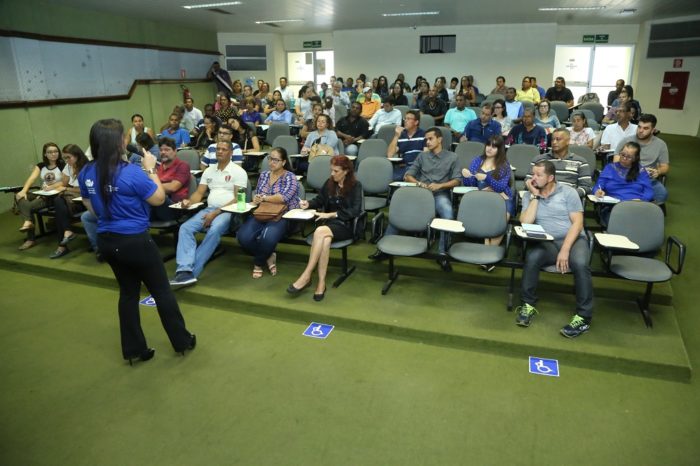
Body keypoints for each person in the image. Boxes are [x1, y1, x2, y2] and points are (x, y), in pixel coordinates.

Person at [79, 118, 195, 364]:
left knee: (128, 293)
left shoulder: (86, 171)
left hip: (107, 240)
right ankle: (182, 341)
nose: (127, 140)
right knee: (161, 291)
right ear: (118, 142)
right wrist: (151, 169)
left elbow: (91, 207)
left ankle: (134, 350)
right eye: (124, 136)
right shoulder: (130, 172)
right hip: (135, 241)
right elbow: (159, 199)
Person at [517, 160, 593, 338]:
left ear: (550, 178)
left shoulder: (568, 192)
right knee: (533, 257)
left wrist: (565, 249)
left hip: (574, 240)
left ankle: (583, 317)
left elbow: (578, 223)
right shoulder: (529, 195)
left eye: (538, 175)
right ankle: (528, 304)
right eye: (533, 174)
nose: (533, 178)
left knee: (580, 264)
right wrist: (535, 196)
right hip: (548, 242)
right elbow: (526, 222)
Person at [369, 127, 460, 271]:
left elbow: (457, 180)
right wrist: (418, 183)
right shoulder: (422, 156)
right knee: (399, 210)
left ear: (440, 139)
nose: (427, 142)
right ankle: (383, 250)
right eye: (426, 139)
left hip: (439, 193)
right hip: (421, 193)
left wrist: (440, 185)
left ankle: (442, 254)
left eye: (430, 139)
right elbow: (408, 175)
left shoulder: (452, 157)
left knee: (448, 215)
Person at [170, 141, 249, 287]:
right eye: (218, 149)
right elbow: (199, 193)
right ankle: (184, 269)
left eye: (224, 149)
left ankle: (192, 273)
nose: (220, 151)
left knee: (214, 229)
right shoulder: (209, 171)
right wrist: (188, 201)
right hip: (209, 209)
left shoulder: (239, 172)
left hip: (229, 212)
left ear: (231, 153)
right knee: (185, 228)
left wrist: (216, 213)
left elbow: (239, 199)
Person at [288, 156, 363, 301]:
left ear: (346, 171)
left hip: (346, 225)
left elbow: (355, 211)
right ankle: (321, 283)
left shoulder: (356, 186)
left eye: (336, 171)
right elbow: (319, 200)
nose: (332, 174)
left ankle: (307, 274)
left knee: (320, 231)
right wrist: (308, 204)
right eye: (331, 170)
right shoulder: (329, 183)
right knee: (325, 240)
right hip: (330, 225)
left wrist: (330, 214)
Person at [237, 147, 300, 279]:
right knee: (243, 237)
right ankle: (269, 255)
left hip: (283, 215)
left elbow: (284, 198)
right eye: (270, 159)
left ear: (283, 162)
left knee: (267, 237)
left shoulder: (290, 177)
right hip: (263, 211)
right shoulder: (264, 175)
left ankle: (258, 263)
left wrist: (264, 198)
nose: (272, 162)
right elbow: (258, 193)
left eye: (276, 160)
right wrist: (256, 198)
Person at [461, 135, 514, 248]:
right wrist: (466, 176)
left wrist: (486, 178)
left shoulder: (504, 165)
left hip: (502, 198)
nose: (489, 148)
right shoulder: (477, 161)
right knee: (487, 217)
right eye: (488, 145)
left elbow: (500, 187)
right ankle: (487, 249)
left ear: (499, 149)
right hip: (482, 198)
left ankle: (490, 250)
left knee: (500, 222)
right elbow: (470, 184)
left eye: (494, 147)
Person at [15, 142, 66, 251]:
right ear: (45, 154)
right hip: (43, 192)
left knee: (28, 206)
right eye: (50, 152)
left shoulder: (62, 165)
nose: (53, 154)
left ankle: (30, 237)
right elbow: (32, 178)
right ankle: (28, 222)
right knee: (19, 196)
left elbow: (65, 182)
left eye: (55, 151)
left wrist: (51, 187)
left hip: (54, 195)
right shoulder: (41, 165)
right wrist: (24, 191)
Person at [593, 141, 653, 226]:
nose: (624, 158)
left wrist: (641, 200)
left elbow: (649, 191)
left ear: (635, 158)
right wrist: (597, 191)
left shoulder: (641, 171)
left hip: (636, 207)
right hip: (613, 208)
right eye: (622, 154)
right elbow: (598, 186)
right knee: (621, 223)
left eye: (629, 157)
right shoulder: (610, 168)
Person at [615, 114, 669, 204]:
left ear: (653, 130)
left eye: (645, 128)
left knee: (662, 194)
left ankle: (642, 207)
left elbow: (665, 166)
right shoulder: (626, 141)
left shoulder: (660, 145)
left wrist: (658, 171)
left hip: (648, 180)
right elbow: (616, 161)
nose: (640, 130)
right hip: (627, 177)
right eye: (639, 127)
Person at [48, 144, 89, 259]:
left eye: (68, 157)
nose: (66, 160)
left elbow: (85, 190)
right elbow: (63, 183)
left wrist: (67, 189)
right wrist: (51, 187)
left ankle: (62, 245)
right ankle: (67, 232)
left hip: (84, 202)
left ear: (77, 156)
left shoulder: (87, 167)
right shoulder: (68, 166)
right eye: (64, 158)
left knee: (59, 207)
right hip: (70, 201)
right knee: (59, 204)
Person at [527, 128, 592, 198]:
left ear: (568, 141)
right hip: (542, 197)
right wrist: (540, 193)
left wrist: (570, 195)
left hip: (567, 200)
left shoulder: (580, 162)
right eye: (552, 139)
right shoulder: (539, 160)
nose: (554, 142)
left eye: (558, 139)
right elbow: (528, 181)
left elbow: (586, 187)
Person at [150, 138, 191, 222]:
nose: (163, 152)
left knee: (157, 196)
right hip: (157, 205)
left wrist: (152, 187)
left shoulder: (183, 166)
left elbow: (173, 187)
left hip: (174, 207)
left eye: (167, 150)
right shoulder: (158, 167)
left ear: (175, 151)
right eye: (161, 150)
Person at [387, 110, 426, 181]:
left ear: (416, 122)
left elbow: (426, 155)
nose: (405, 121)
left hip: (418, 168)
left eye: (408, 119)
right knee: (389, 180)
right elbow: (390, 154)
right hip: (403, 167)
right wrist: (396, 136)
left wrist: (415, 168)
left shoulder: (423, 134)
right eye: (405, 118)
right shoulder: (401, 135)